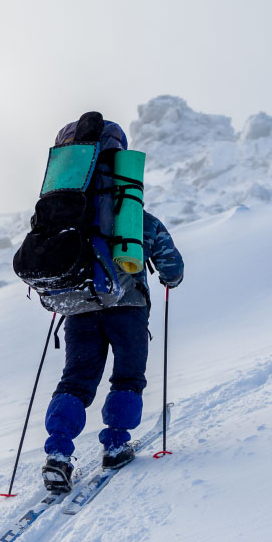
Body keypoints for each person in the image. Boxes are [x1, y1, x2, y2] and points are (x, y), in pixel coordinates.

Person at [40, 119, 184, 492]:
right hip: (129, 307)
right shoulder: (137, 216)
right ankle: (116, 443)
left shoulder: (65, 212)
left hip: (79, 306)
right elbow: (173, 267)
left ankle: (57, 455)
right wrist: (169, 279)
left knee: (75, 381)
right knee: (127, 376)